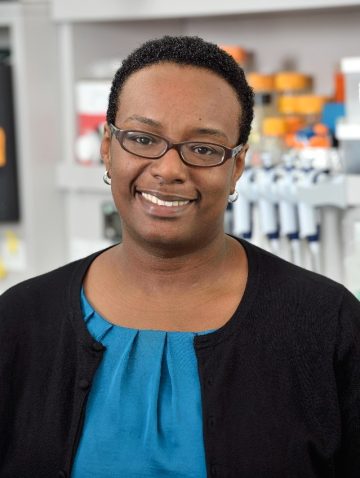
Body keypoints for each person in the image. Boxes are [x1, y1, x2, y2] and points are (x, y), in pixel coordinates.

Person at [0, 35, 359, 478]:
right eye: (143, 138)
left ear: (237, 167)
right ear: (108, 147)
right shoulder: (18, 321)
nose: (169, 169)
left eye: (204, 149)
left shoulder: (328, 324)